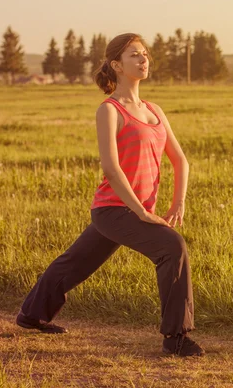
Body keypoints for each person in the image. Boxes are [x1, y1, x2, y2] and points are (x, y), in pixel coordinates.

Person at [15, 33, 204, 357]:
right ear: (116, 65)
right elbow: (112, 169)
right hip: (113, 209)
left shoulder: (154, 110)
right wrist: (142, 214)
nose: (144, 60)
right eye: (135, 55)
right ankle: (176, 336)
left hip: (134, 210)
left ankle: (31, 315)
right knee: (172, 247)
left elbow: (180, 160)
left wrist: (178, 203)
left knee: (75, 262)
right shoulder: (110, 110)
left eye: (145, 54)